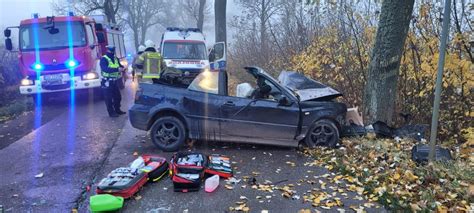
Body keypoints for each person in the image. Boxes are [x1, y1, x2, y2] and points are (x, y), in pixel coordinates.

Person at [100, 45, 126, 117]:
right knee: (108, 98)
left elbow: (119, 65)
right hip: (107, 81)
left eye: (113, 50)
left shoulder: (115, 58)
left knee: (117, 97)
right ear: (107, 50)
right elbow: (105, 69)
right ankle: (111, 113)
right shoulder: (104, 59)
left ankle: (117, 110)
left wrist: (122, 68)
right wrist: (117, 69)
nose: (112, 52)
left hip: (114, 81)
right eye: (111, 50)